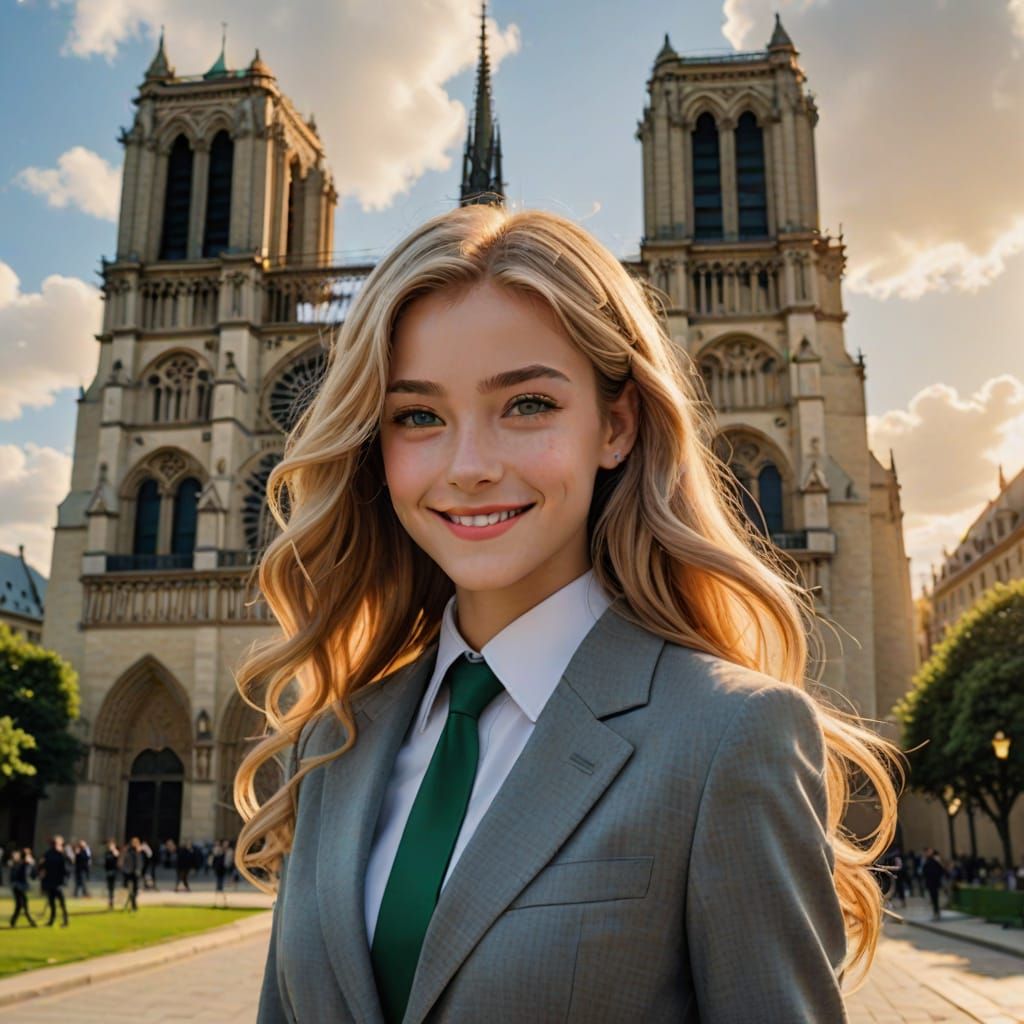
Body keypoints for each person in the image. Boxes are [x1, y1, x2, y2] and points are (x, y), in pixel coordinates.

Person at [236, 206, 904, 1022]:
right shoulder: (336, 738)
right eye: (417, 416)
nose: (469, 466)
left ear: (616, 425)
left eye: (526, 405)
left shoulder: (728, 739)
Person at [38, 835, 70, 927]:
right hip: (54, 881)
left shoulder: (55, 854)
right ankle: (57, 921)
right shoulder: (56, 854)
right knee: (57, 903)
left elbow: (41, 866)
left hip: (54, 881)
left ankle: (61, 921)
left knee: (58, 903)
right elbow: (66, 869)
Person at [8, 848, 37, 927]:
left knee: (20, 905)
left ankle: (13, 921)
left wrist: (32, 864)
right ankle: (30, 921)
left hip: (19, 887)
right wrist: (30, 863)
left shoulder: (22, 864)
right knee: (23, 904)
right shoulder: (22, 864)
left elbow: (33, 875)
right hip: (18, 887)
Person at [922, 847, 947, 920]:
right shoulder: (926, 861)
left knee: (935, 897)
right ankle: (936, 911)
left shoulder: (935, 860)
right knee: (933, 897)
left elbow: (941, 870)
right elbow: (924, 871)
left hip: (935, 881)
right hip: (930, 882)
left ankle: (937, 911)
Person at [120, 836, 141, 911]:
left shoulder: (138, 851)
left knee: (135, 890)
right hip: (128, 872)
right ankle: (133, 904)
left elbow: (140, 862)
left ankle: (133, 903)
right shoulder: (128, 850)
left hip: (135, 873)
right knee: (129, 889)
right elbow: (123, 861)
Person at [103, 838, 120, 909]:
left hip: (113, 871)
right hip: (108, 871)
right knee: (109, 888)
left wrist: (115, 852)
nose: (111, 847)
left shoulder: (115, 852)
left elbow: (117, 859)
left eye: (112, 845)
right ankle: (110, 901)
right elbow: (106, 862)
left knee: (112, 888)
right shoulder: (107, 853)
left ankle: (111, 902)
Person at [212, 840, 228, 908]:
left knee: (220, 882)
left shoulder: (224, 852)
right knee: (219, 882)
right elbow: (215, 860)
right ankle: (219, 892)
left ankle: (219, 892)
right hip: (219, 869)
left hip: (221, 869)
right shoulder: (219, 852)